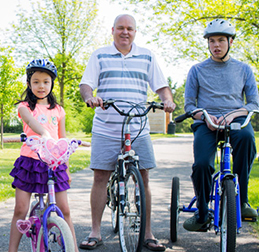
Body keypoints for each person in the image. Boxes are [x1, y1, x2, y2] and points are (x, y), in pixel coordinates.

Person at [79, 14, 175, 251]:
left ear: (135, 31)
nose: (125, 32)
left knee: (144, 177)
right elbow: (86, 84)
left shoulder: (147, 56)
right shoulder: (99, 54)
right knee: (100, 177)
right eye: (120, 28)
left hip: (138, 126)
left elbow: (162, 87)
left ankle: (148, 233)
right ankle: (95, 232)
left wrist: (168, 101)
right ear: (112, 30)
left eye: (130, 28)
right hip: (106, 126)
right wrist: (90, 97)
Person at [183, 19, 259, 232]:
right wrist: (204, 116)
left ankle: (242, 201)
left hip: (236, 119)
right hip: (207, 121)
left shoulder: (244, 69)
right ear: (208, 43)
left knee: (246, 139)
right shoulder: (197, 70)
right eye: (212, 41)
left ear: (231, 42)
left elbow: (253, 103)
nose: (216, 45)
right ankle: (202, 212)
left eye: (221, 41)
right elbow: (190, 105)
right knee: (202, 165)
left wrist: (233, 114)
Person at [8, 59, 79, 252]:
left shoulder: (59, 110)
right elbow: (31, 122)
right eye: (36, 81)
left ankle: (73, 248)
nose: (41, 86)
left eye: (46, 81)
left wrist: (68, 167)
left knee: (64, 209)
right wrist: (45, 134)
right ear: (29, 84)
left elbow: (62, 139)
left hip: (55, 163)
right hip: (30, 163)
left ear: (52, 83)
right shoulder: (24, 106)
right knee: (21, 209)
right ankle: (11, 250)